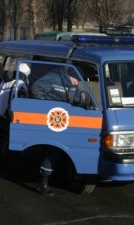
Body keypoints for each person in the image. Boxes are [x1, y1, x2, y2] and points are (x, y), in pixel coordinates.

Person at [31, 66, 81, 196]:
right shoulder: (54, 78)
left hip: (64, 121)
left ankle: (49, 177)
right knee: (54, 150)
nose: (78, 82)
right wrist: (45, 106)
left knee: (59, 151)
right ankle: (43, 182)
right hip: (52, 119)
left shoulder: (73, 85)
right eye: (77, 79)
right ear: (71, 75)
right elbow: (36, 87)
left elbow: (75, 99)